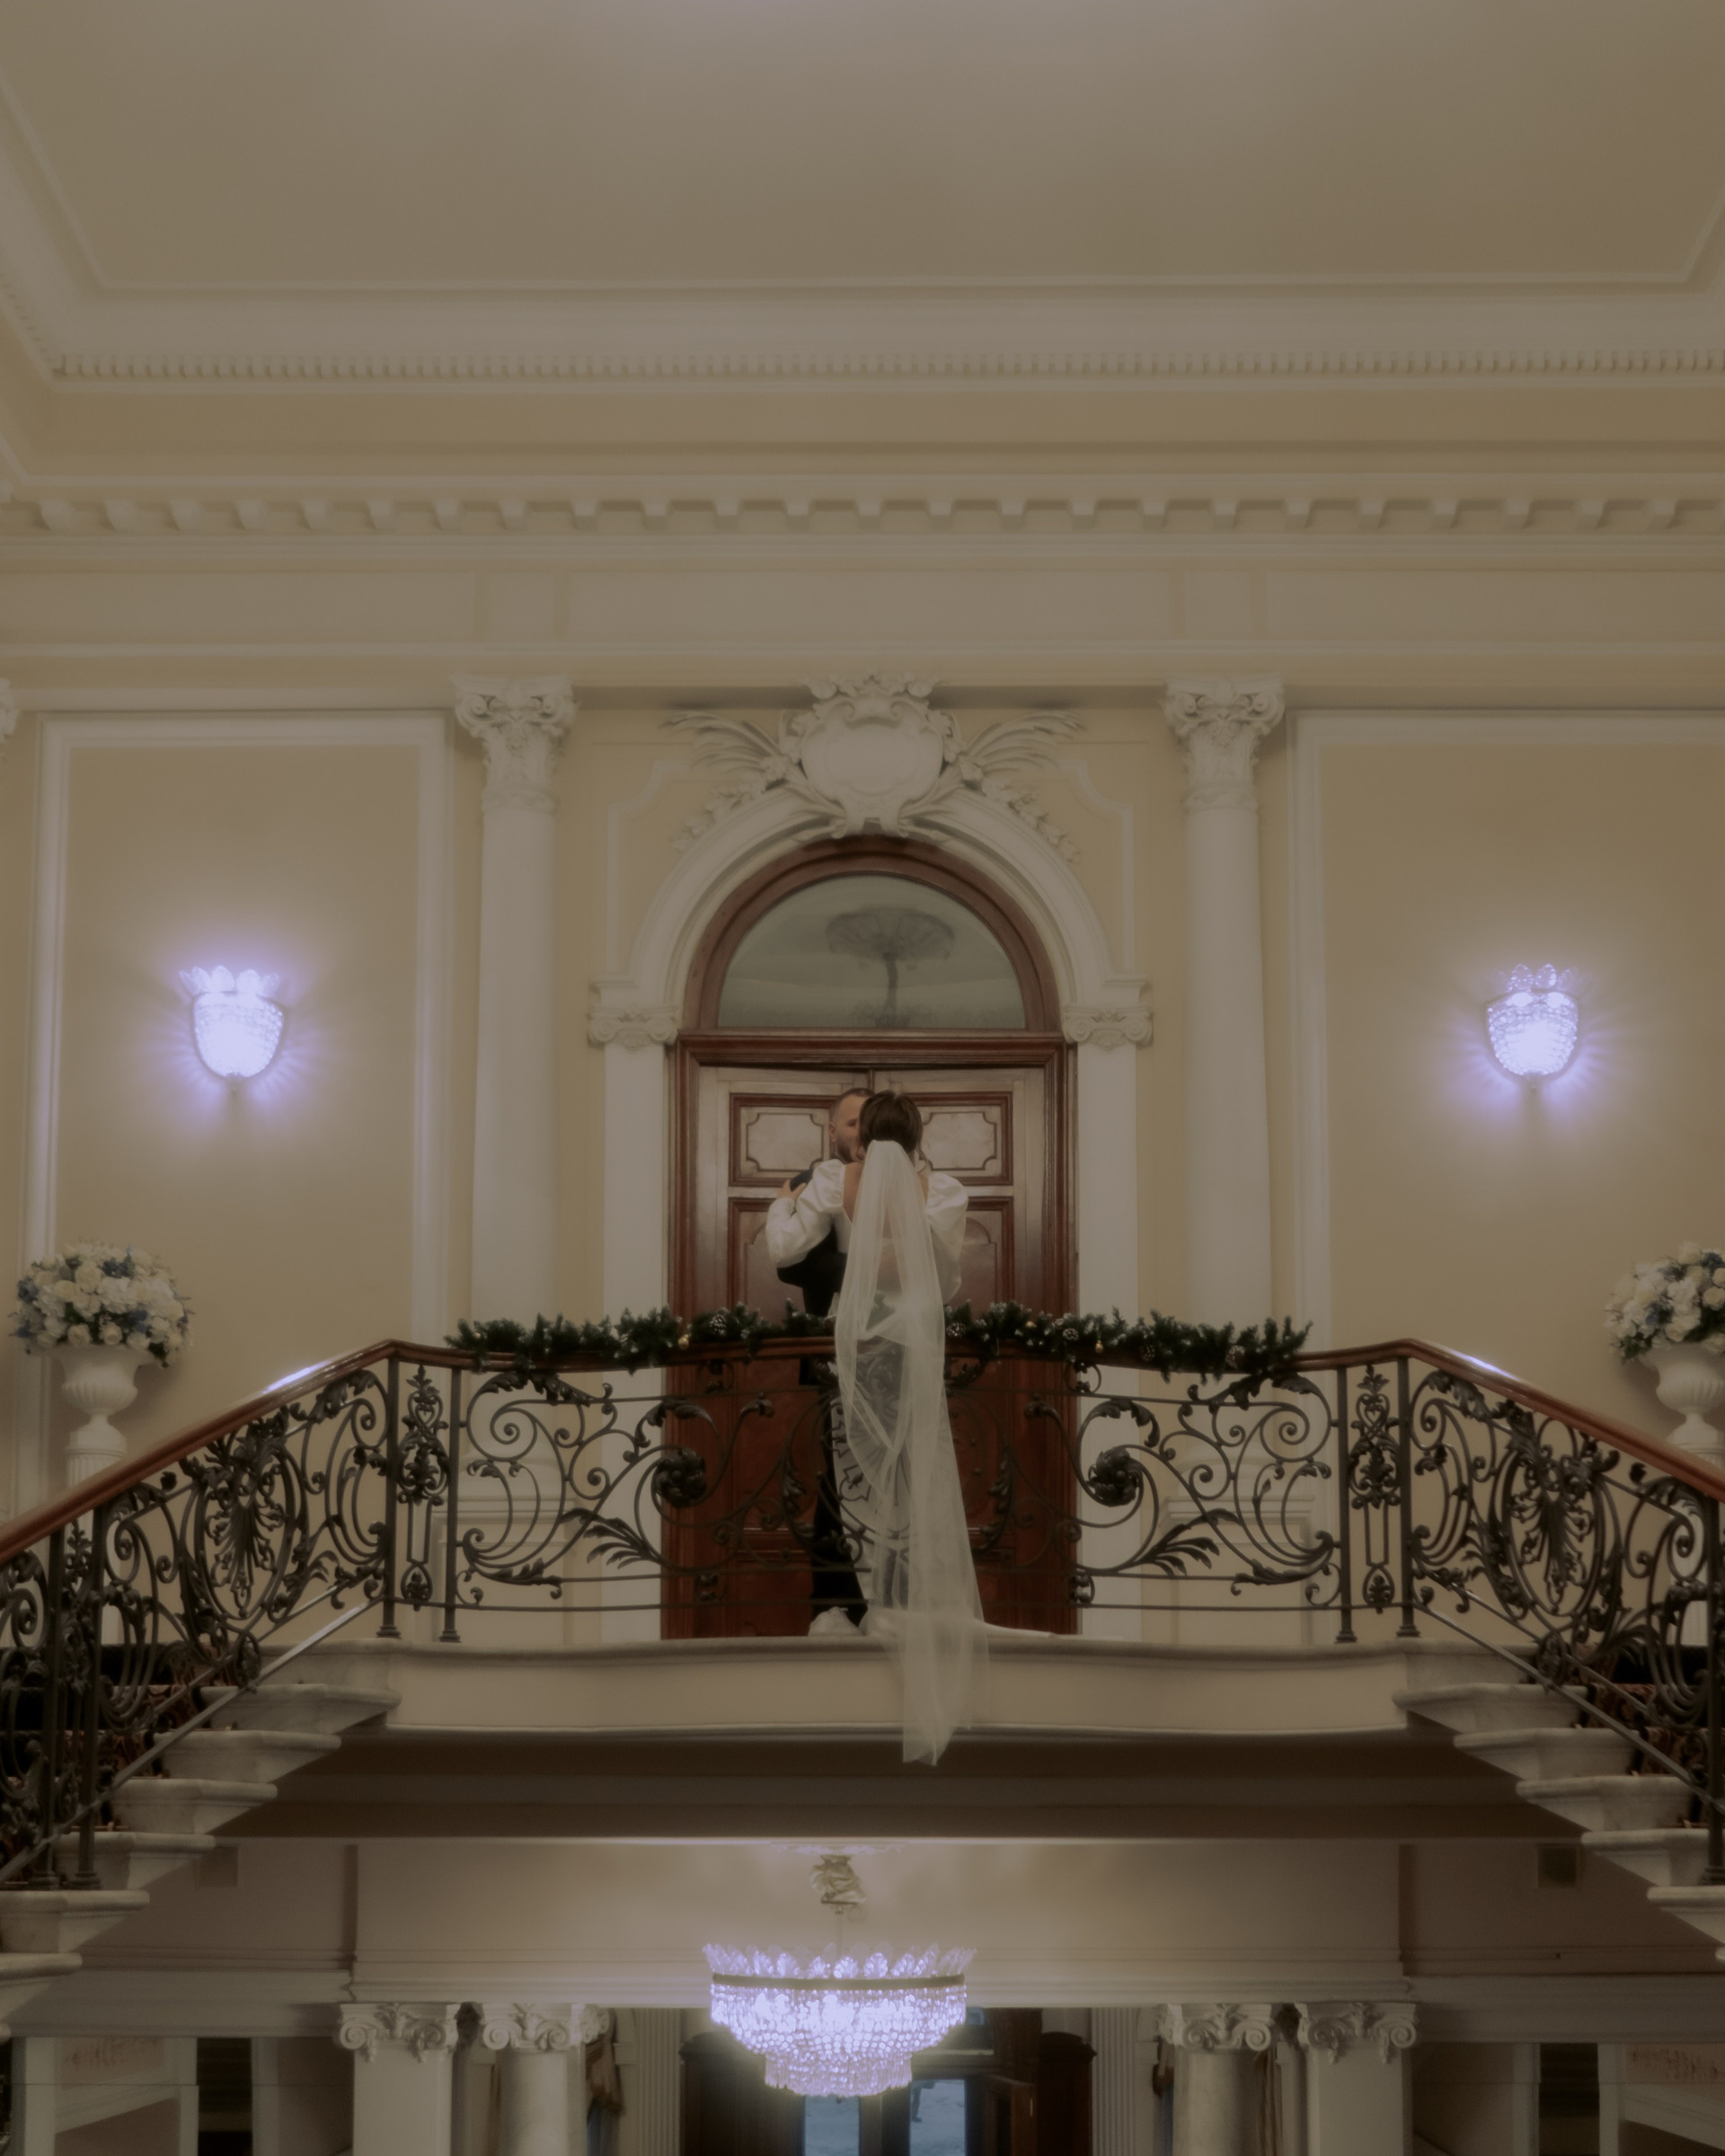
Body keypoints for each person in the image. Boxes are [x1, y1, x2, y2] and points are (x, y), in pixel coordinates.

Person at [836, 1091, 986, 1765]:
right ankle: (904, 1604)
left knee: (867, 1470)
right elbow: (938, 1274)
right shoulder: (940, 1191)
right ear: (918, 1135)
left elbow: (843, 1260)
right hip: (912, 1343)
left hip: (866, 1345)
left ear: (863, 1135)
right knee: (917, 1468)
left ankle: (880, 1601)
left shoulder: (844, 1183)